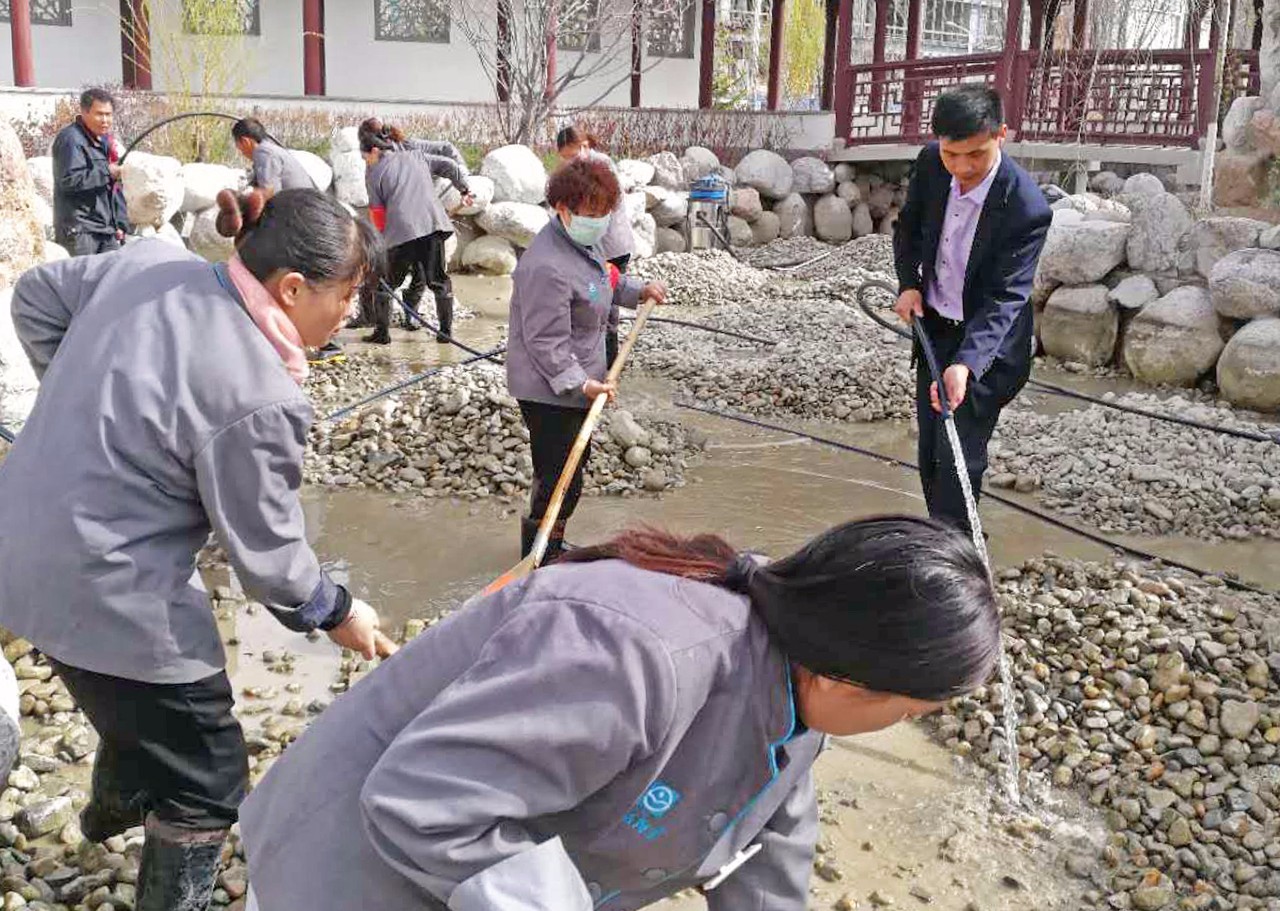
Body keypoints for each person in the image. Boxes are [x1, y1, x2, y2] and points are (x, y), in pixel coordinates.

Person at [238, 515, 1000, 910]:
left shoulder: (796, 693)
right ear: (849, 675)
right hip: (348, 870)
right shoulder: (636, 656)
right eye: (911, 708)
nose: (901, 724)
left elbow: (771, 840)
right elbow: (423, 805)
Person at [0, 188, 390, 911]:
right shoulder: (260, 394)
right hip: (103, 579)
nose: (351, 314)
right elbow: (271, 558)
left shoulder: (149, 262)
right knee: (208, 769)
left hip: (16, 541)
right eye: (347, 296)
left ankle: (110, 812)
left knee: (147, 709)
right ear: (293, 287)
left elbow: (34, 298)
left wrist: (89, 406)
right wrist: (338, 610)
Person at [893, 85, 1052, 537]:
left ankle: (955, 556)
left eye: (976, 156)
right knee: (930, 453)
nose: (962, 169)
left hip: (988, 349)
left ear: (1002, 135)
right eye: (951, 155)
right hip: (936, 330)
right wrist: (909, 284)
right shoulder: (930, 164)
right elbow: (908, 229)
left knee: (959, 453)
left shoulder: (1026, 208)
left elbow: (1007, 298)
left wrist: (966, 364)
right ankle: (948, 540)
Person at [507, 155, 665, 560]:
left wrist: (637, 290)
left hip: (578, 379)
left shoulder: (583, 244)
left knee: (570, 473)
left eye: (604, 214)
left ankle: (549, 546)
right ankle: (539, 557)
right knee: (559, 477)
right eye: (591, 213)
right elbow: (545, 342)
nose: (598, 221)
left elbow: (603, 283)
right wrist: (581, 383)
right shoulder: (546, 266)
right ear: (563, 209)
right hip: (548, 389)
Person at [231, 117, 346, 364]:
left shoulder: (264, 153)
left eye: (239, 147)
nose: (240, 152)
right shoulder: (274, 151)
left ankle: (325, 341)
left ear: (245, 141)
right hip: (306, 219)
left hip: (302, 224)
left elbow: (268, 191)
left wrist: (244, 211)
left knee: (306, 281)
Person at [359, 128, 472, 345]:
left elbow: (378, 215)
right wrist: (464, 189)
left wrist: (380, 242)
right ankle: (445, 334)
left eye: (365, 157)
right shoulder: (416, 155)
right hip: (432, 225)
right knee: (438, 281)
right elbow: (449, 165)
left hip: (401, 231)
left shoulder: (374, 174)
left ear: (374, 150)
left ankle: (382, 334)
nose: (365, 161)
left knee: (386, 284)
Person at [555, 125, 635, 368]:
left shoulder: (601, 165)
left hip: (611, 247)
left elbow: (604, 203)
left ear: (585, 146)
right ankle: (590, 355)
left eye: (574, 155)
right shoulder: (574, 169)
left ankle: (607, 364)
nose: (570, 161)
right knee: (590, 297)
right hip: (589, 248)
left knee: (604, 303)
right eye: (565, 157)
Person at [51, 86, 128, 256]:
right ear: (84, 112)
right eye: (99, 114)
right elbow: (69, 180)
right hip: (79, 231)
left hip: (105, 231)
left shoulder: (105, 143)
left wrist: (120, 224)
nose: (105, 120)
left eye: (108, 115)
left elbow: (114, 189)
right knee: (82, 281)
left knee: (112, 279)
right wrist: (107, 173)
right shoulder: (71, 140)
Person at [360, 116, 471, 175]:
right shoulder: (370, 142)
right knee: (445, 160)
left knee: (446, 148)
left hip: (407, 147)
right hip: (406, 157)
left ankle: (464, 172)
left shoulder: (392, 138)